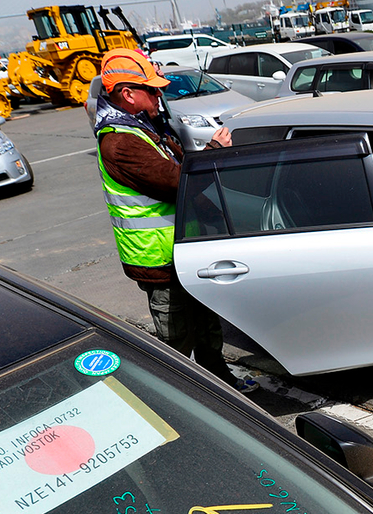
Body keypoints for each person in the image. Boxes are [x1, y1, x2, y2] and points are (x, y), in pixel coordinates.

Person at [92, 48, 257, 392]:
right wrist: (213, 151)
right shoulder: (120, 141)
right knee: (177, 339)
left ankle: (220, 382)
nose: (159, 94)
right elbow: (179, 183)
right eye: (152, 90)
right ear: (127, 94)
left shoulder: (145, 126)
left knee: (206, 323)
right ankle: (180, 400)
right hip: (159, 259)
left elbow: (181, 170)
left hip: (184, 251)